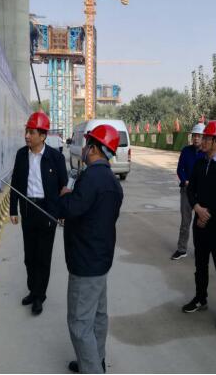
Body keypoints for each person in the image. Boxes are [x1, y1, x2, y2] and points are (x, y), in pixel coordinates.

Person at [58, 124, 124, 374]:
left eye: (87, 145)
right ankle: (96, 361)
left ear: (95, 149)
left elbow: (71, 208)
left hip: (85, 262)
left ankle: (92, 369)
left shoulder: (90, 179)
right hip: (100, 259)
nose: (84, 149)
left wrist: (66, 195)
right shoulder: (113, 182)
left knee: (79, 322)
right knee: (97, 316)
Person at [9, 111, 68, 315]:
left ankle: (39, 297)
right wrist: (13, 210)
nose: (27, 136)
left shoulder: (56, 157)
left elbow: (63, 187)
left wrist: (61, 212)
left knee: (43, 257)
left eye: (31, 132)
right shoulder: (21, 155)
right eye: (26, 131)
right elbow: (15, 184)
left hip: (47, 212)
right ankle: (32, 290)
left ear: (42, 136)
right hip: (28, 210)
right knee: (29, 256)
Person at [182, 120, 216, 330]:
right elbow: (190, 190)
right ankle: (200, 297)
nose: (202, 141)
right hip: (200, 223)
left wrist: (206, 215)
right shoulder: (199, 163)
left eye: (207, 138)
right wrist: (197, 208)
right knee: (200, 264)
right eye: (203, 137)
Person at [171, 123, 206, 260]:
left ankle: (201, 250)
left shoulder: (206, 153)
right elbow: (180, 169)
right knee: (185, 222)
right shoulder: (186, 151)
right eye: (194, 136)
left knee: (201, 222)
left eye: (199, 136)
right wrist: (185, 180)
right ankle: (181, 249)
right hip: (186, 191)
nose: (196, 138)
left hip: (201, 193)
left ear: (204, 137)